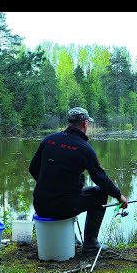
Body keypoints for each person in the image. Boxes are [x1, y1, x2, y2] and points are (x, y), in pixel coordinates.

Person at [29, 107, 128, 252]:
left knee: (71, 195)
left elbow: (33, 169)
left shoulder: (49, 140)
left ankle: (71, 238)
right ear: (85, 123)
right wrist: (119, 195)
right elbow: (100, 178)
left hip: (40, 204)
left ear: (69, 122)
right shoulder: (84, 148)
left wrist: (49, 185)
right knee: (100, 193)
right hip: (63, 207)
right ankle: (90, 243)